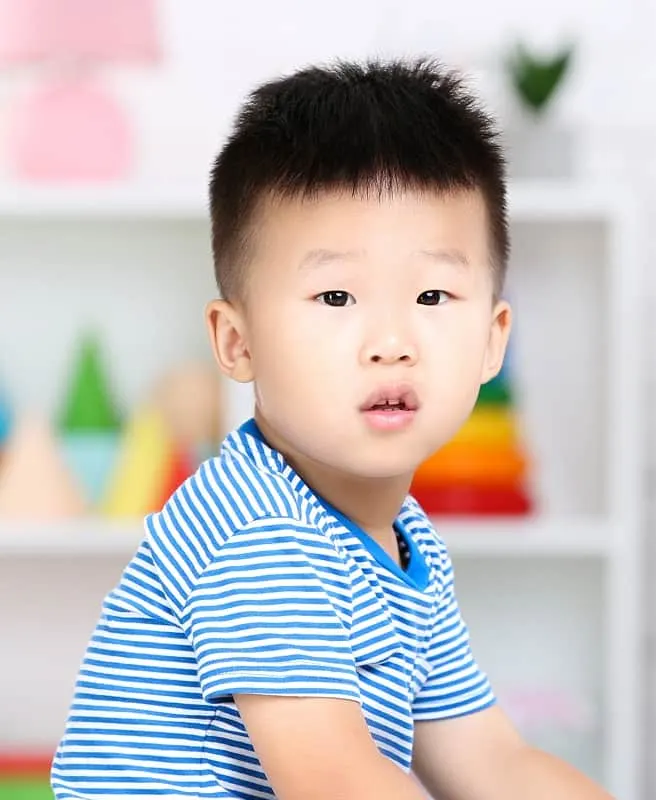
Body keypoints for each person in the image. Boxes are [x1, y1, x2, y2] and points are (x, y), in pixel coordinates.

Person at [51, 58, 613, 800]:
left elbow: (495, 765)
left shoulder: (406, 547)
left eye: (433, 294)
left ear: (491, 339)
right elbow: (335, 781)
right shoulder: (256, 531)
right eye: (337, 294)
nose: (390, 339)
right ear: (236, 343)